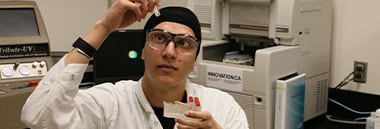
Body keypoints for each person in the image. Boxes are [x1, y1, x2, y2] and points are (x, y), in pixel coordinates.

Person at [21, 0, 249, 129]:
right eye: (159, 38)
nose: (170, 52)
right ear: (142, 51)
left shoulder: (222, 107)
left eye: (184, 43)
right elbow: (38, 115)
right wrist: (103, 27)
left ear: (195, 59)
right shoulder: (110, 103)